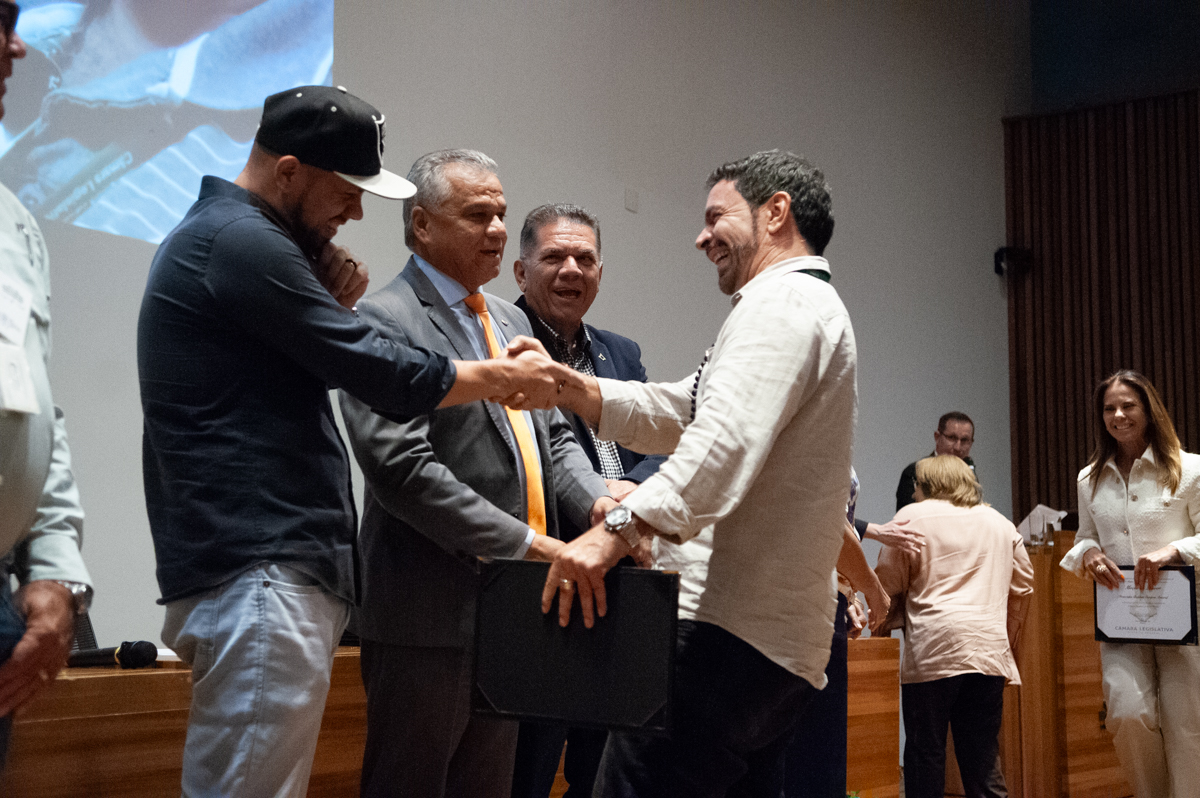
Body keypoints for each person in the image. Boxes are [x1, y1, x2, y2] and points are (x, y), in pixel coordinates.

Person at [138, 92, 567, 798]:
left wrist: (323, 304)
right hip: (262, 569)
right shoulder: (241, 240)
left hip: (266, 570)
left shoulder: (236, 238)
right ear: (288, 172)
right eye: (346, 191)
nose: (358, 213)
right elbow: (375, 371)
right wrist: (499, 378)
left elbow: (283, 376)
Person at [540, 149, 858, 796]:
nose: (701, 237)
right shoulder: (804, 304)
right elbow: (688, 407)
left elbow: (722, 443)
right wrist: (571, 388)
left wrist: (615, 533)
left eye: (716, 217)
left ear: (775, 212)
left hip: (722, 637)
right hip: (775, 649)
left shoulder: (780, 304)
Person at [338, 151, 615, 798]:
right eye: (477, 215)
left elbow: (554, 438)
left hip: (514, 614)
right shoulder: (383, 320)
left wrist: (598, 505)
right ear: (422, 225)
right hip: (427, 616)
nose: (496, 230)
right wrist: (527, 545)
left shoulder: (511, 319)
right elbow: (401, 468)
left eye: (500, 214)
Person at [509, 203, 666, 798]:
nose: (571, 269)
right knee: (529, 762)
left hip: (623, 571)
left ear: (600, 272)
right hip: (545, 573)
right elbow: (527, 453)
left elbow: (658, 442)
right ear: (521, 272)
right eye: (554, 256)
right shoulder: (504, 340)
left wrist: (636, 488)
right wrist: (600, 497)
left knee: (602, 764)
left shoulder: (620, 352)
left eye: (585, 258)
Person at [0, 0, 93, 767]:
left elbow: (35, 409)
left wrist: (57, 569)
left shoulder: (14, 223)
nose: (18, 48)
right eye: (0, 20)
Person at [1059, 370, 1200, 798]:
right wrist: (1088, 553)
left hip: (1185, 621)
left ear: (1149, 410)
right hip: (1122, 620)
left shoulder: (1190, 468)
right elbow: (1085, 537)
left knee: (1186, 726)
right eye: (1109, 408)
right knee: (1126, 713)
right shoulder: (1089, 478)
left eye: (1128, 405)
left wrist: (1173, 551)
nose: (1118, 415)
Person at [875, 456, 1033, 798]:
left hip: (932, 652)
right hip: (987, 653)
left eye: (917, 485)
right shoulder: (1001, 523)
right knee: (982, 759)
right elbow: (1023, 587)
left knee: (926, 756)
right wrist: (1006, 639)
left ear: (928, 484)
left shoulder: (911, 517)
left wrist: (880, 628)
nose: (914, 492)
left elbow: (886, 585)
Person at [894, 411, 977, 511]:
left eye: (964, 440)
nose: (957, 447)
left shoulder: (971, 475)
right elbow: (906, 515)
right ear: (937, 437)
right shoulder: (916, 472)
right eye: (951, 438)